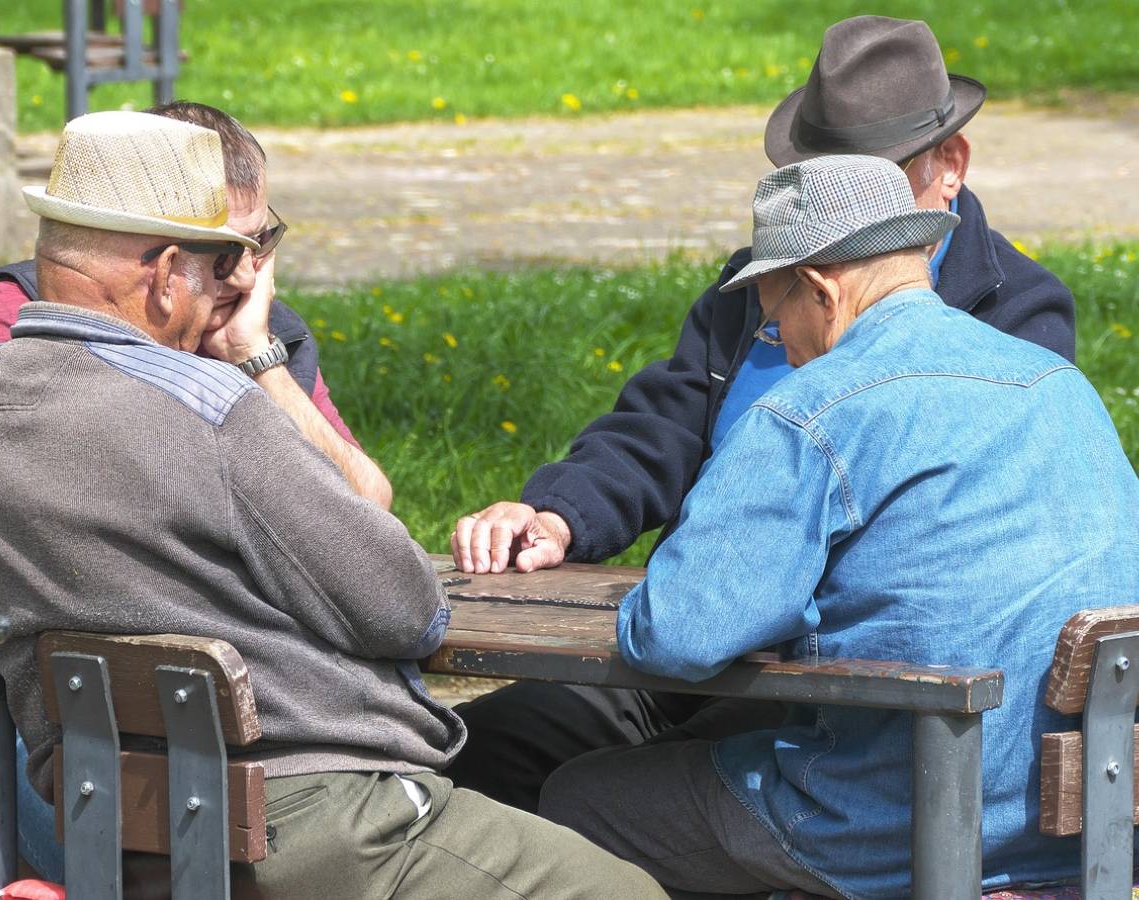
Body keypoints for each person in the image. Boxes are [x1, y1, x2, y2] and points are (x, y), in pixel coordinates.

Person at [0, 111, 665, 900]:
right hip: (318, 822)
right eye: (223, 263)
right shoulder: (209, 407)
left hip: (116, 828)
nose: (241, 283)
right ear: (165, 271)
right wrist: (252, 370)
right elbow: (407, 605)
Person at [446, 14, 1078, 813]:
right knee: (476, 751)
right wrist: (557, 513)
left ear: (949, 164)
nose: (836, 205)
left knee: (609, 800)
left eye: (870, 176)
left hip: (843, 678)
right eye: (818, 175)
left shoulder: (1012, 317)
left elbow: (972, 551)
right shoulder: (761, 282)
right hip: (697, 637)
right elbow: (663, 424)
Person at [538, 154, 1138, 897]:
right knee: (713, 748)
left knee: (580, 797)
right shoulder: (1061, 387)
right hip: (1082, 818)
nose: (776, 339)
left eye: (771, 316)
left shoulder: (812, 409)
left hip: (888, 819)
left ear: (820, 291)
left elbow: (679, 633)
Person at [0, 100, 390, 510]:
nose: (247, 276)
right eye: (224, 253)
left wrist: (259, 361)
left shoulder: (262, 328)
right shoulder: (12, 320)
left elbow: (367, 508)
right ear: (160, 256)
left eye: (262, 242)